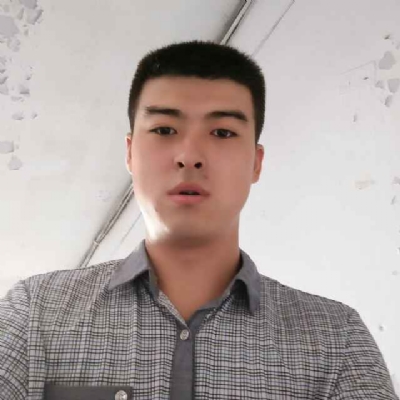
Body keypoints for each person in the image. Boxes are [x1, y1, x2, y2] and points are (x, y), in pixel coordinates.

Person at [0, 40, 398, 400]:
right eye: (164, 129)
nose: (189, 156)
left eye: (222, 133)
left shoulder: (335, 339)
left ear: (256, 162)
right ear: (130, 153)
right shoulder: (35, 314)